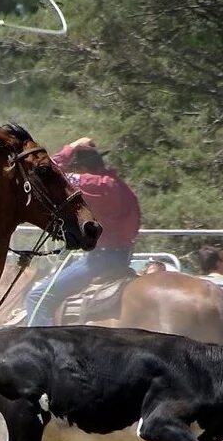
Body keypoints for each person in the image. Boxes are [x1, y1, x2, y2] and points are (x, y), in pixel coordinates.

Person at [24, 137, 141, 327]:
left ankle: (42, 351)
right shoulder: (121, 186)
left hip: (101, 259)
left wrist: (71, 147)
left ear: (78, 168)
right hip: (124, 255)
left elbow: (46, 172)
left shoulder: (90, 184)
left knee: (37, 297)